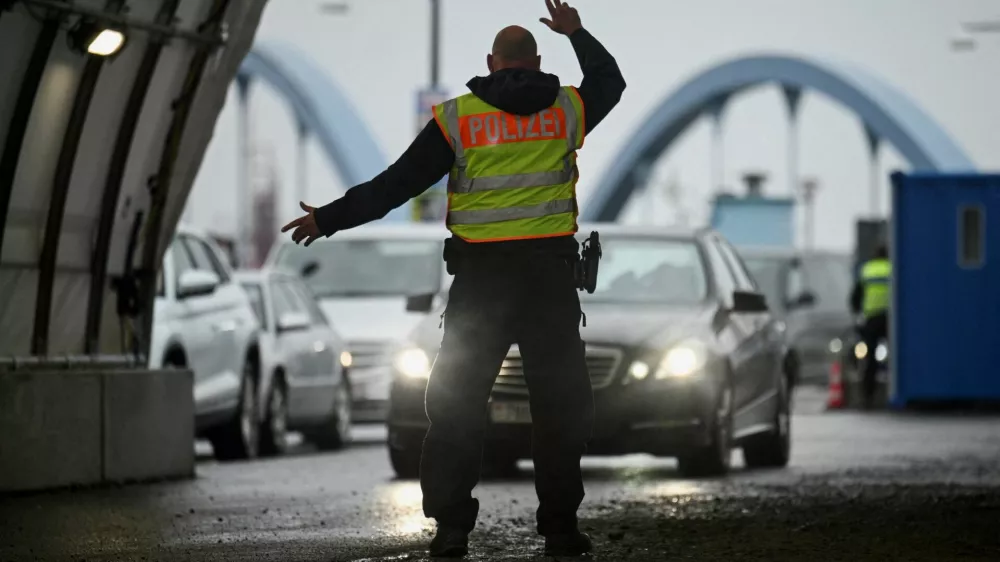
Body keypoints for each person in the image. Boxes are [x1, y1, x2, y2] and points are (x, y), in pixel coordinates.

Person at [281, 0, 625, 557]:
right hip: (549, 282)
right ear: (536, 60)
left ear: (491, 62)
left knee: (457, 405)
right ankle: (561, 528)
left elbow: (397, 185)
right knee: (560, 409)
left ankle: (452, 528)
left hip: (481, 286)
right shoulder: (567, 109)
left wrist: (328, 218)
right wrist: (577, 33)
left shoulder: (457, 118)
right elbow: (610, 82)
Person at [849, 243, 891, 408]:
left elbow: (856, 296)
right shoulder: (893, 268)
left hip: (872, 319)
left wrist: (858, 313)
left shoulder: (867, 269)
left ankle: (868, 397)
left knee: (869, 360)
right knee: (896, 358)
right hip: (891, 319)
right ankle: (894, 393)